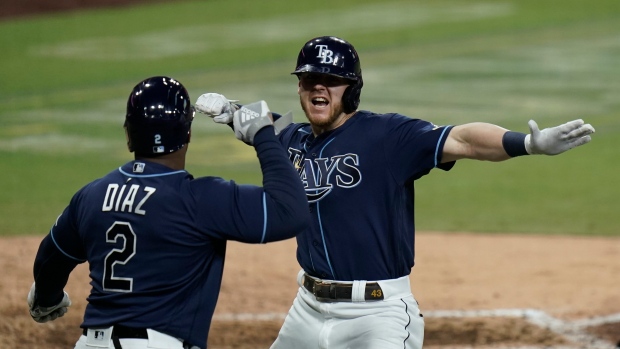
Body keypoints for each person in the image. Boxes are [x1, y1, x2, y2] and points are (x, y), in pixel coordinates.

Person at [194, 36, 595, 349]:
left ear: (351, 90)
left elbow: (464, 139)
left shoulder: (387, 136)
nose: (319, 87)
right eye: (309, 80)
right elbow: (265, 128)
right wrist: (232, 112)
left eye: (331, 81)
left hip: (377, 314)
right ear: (299, 87)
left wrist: (526, 143)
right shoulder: (293, 140)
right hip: (308, 309)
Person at [27, 76, 310, 349]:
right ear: (187, 133)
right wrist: (262, 135)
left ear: (129, 136)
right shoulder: (202, 200)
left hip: (91, 343)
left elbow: (50, 259)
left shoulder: (91, 196)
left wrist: (46, 298)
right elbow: (290, 212)